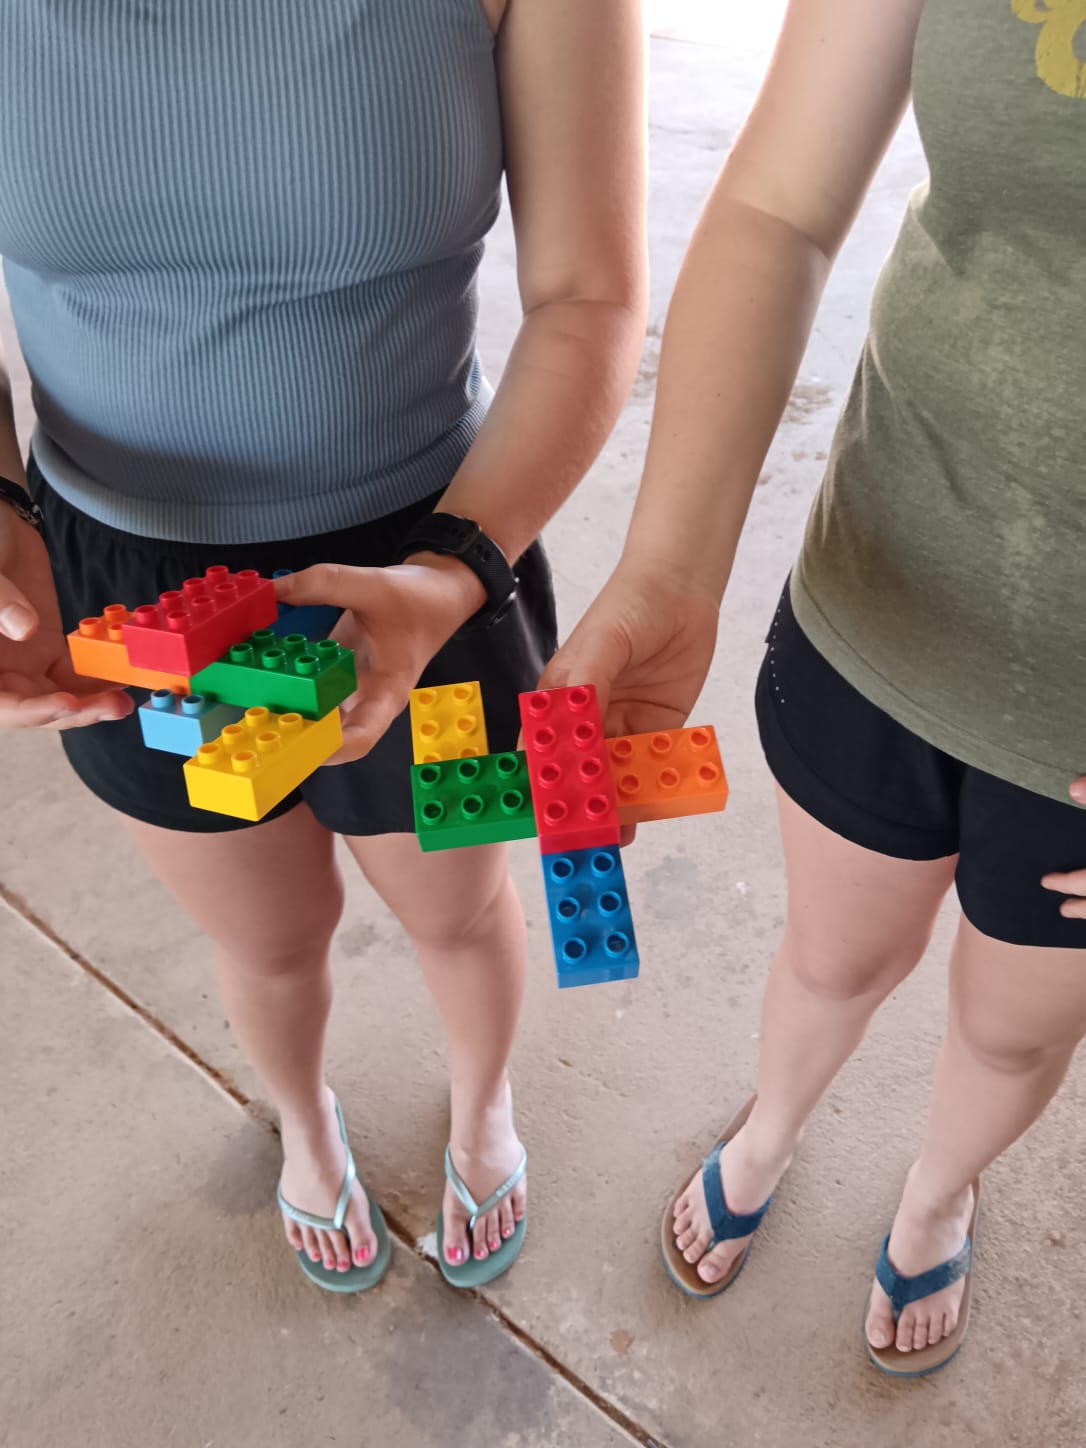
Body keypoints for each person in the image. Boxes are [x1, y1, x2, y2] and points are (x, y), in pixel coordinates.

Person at [0, 0, 646, 1293]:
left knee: (457, 906)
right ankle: (304, 1124)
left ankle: (483, 1108)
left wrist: (451, 573)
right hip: (119, 584)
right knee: (268, 937)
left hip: (431, 558)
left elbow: (589, 293)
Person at [541, 0, 1086, 1375]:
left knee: (1013, 1038)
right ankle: (770, 1129)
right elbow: (780, 204)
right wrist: (667, 568)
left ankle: (936, 1194)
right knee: (833, 954)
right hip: (883, 594)